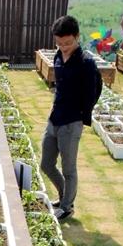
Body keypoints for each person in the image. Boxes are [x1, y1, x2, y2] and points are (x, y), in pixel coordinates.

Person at [40, 15, 99, 222]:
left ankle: (66, 206)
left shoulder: (86, 63)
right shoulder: (57, 56)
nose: (64, 47)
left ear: (77, 37)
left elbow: (94, 92)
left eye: (68, 43)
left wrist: (81, 116)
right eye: (59, 43)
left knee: (69, 169)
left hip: (71, 123)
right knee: (46, 164)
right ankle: (65, 196)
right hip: (54, 118)